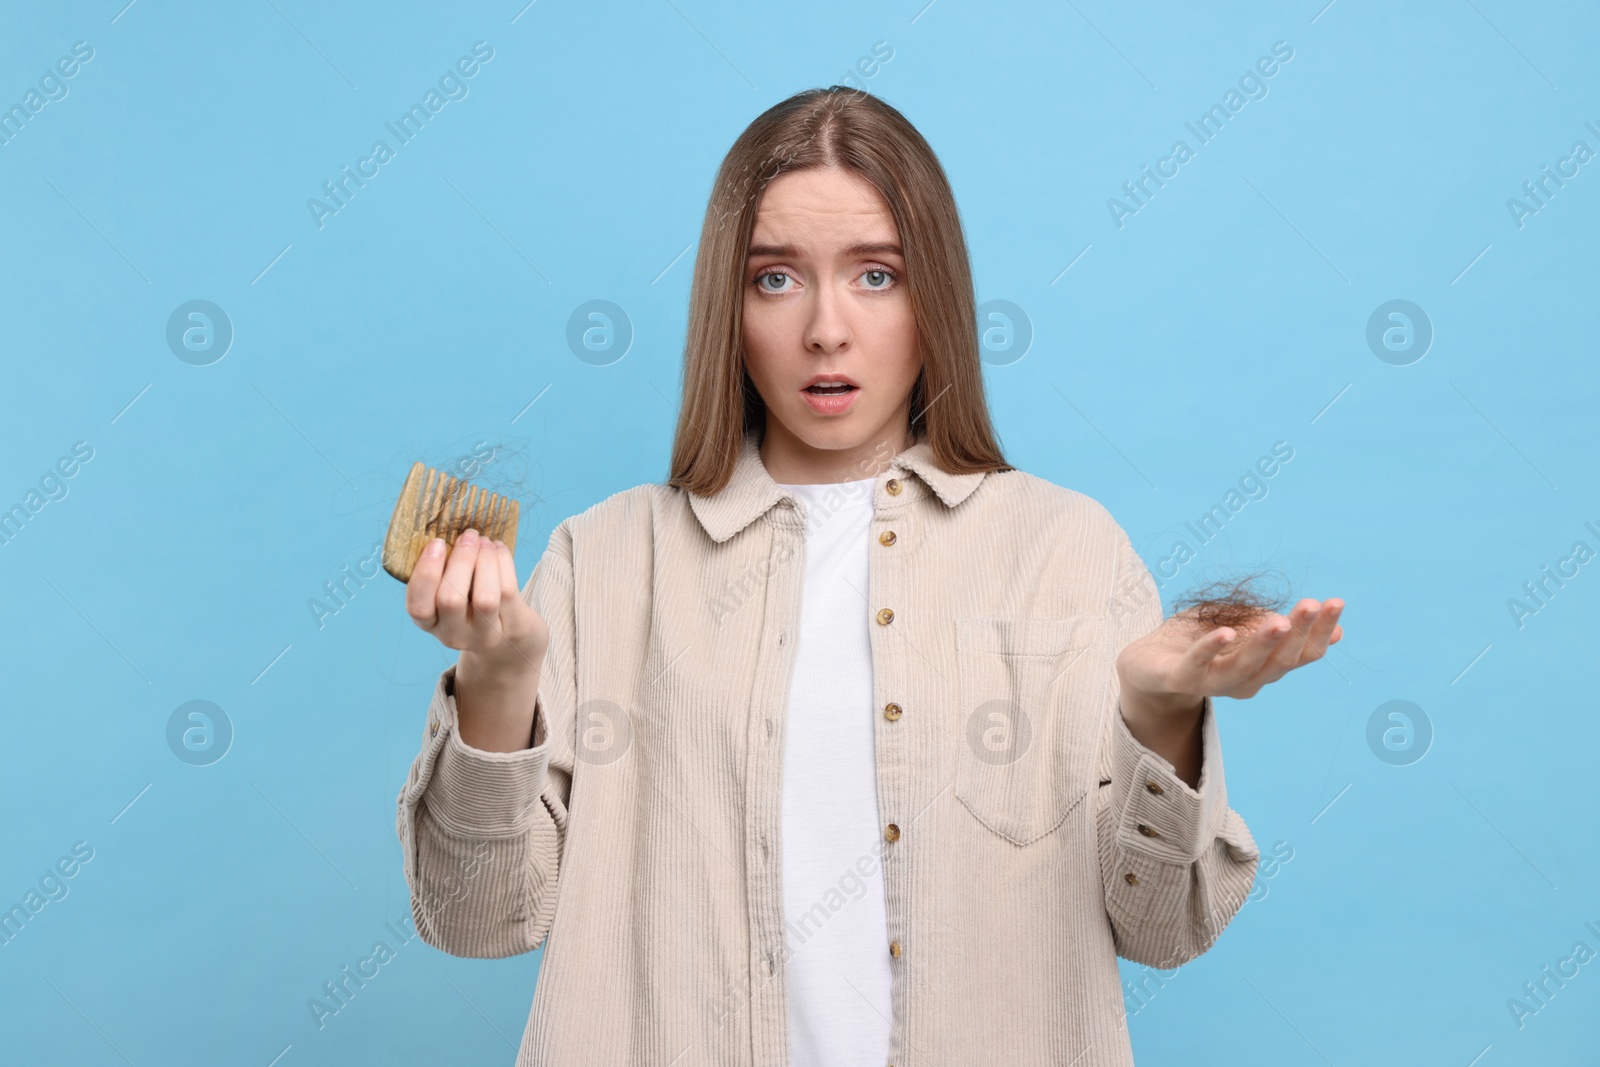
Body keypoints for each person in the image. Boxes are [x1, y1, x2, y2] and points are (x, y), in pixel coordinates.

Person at [396, 86, 1343, 1067]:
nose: (825, 328)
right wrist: (496, 686)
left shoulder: (1068, 549)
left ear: (933, 294)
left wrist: (1159, 717)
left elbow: (1165, 929)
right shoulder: (603, 559)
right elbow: (476, 919)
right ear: (728, 303)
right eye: (774, 279)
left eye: (876, 275)